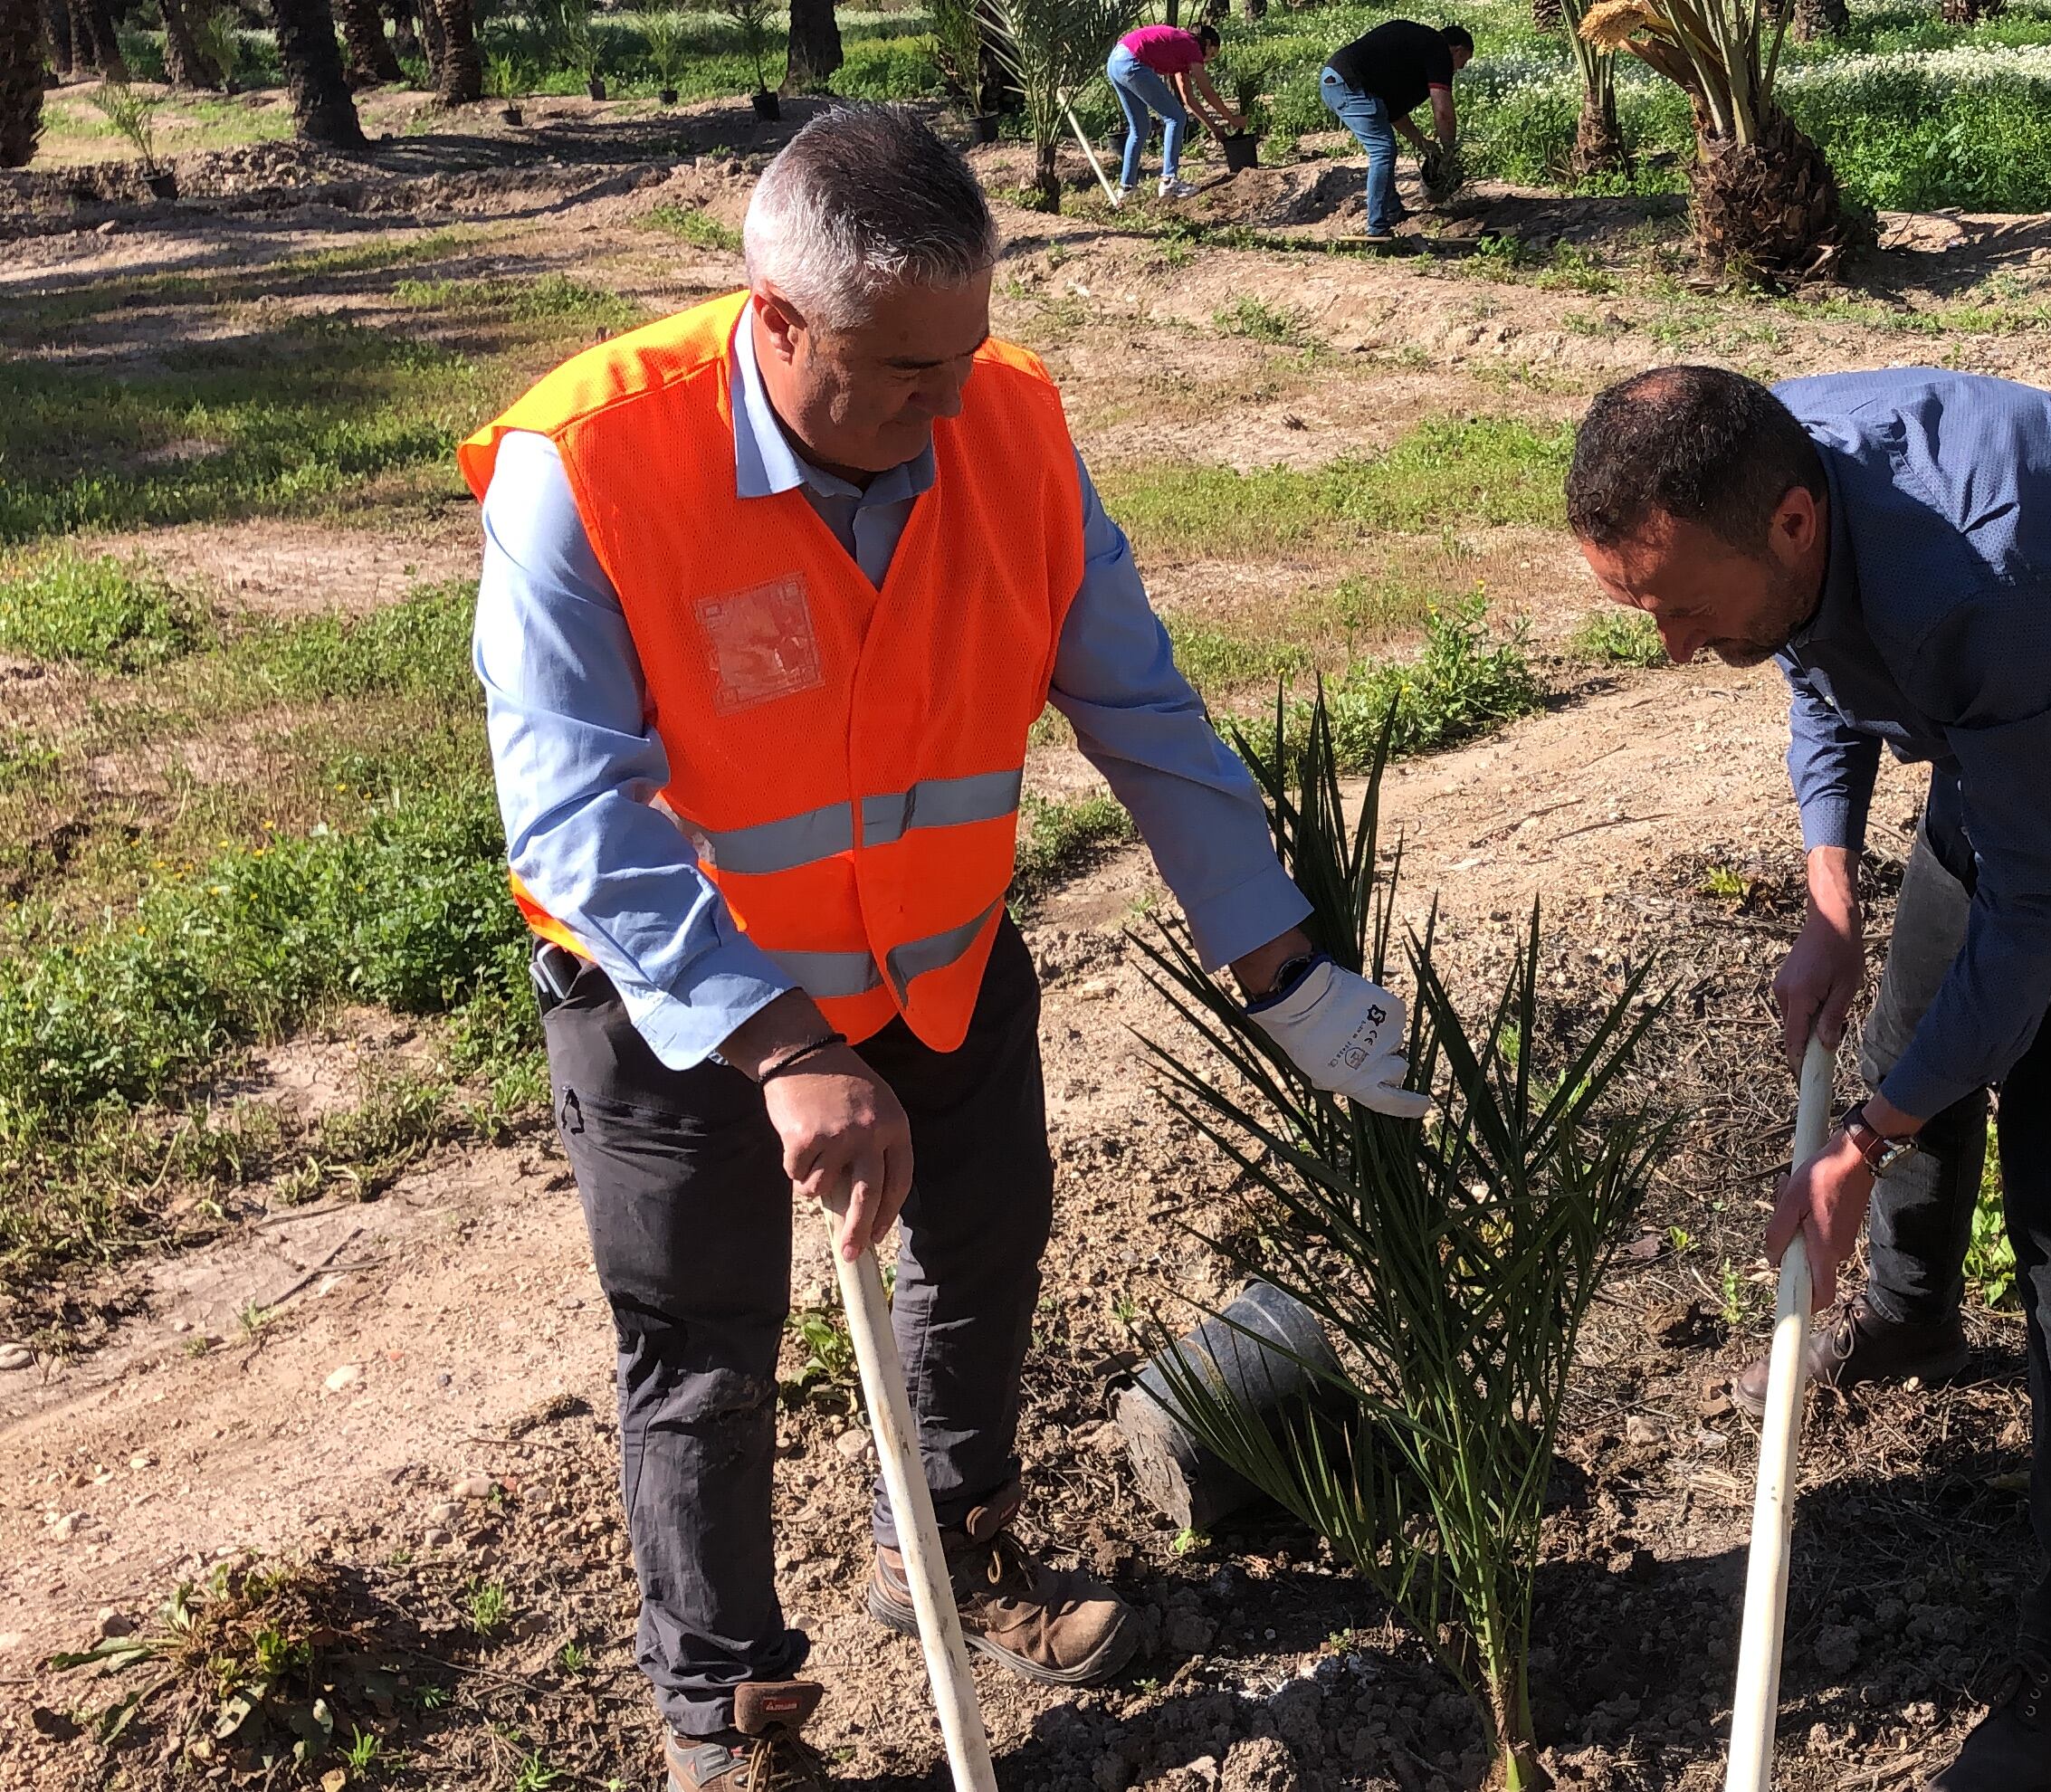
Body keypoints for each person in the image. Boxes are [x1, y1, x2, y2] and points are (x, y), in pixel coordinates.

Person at [466, 106, 1428, 1792]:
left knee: (983, 1259)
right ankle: (728, 1706)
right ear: (774, 319)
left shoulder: (1012, 428)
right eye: (906, 370)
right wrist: (781, 1048)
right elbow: (574, 814)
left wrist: (1279, 964)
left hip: (940, 967)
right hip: (682, 1004)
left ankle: (965, 1553)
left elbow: (1137, 705)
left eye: (966, 353)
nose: (948, 403)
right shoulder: (594, 464)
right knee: (703, 1348)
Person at [1563, 365, 2051, 1792]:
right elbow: (1808, 658)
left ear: (1791, 520)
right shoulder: (1757, 473)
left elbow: (2039, 912)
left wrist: (1864, 1134)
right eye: (1634, 605)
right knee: (1920, 1014)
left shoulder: (1978, 574)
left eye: (1670, 604)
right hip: (2015, 731)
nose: (1662, 645)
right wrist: (1829, 892)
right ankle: (1910, 1322)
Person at [1317, 18, 1471, 240]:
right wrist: (1449, 152)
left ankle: (1393, 211)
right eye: (1462, 62)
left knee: (1385, 147)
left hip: (1337, 81)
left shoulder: (1415, 54)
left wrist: (1421, 142)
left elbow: (1393, 111)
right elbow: (1443, 112)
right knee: (1382, 150)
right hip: (1348, 84)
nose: (1459, 69)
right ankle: (1377, 229)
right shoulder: (1438, 51)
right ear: (1457, 50)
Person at [1107, 20, 1243, 200]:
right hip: (1132, 62)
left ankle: (1127, 188)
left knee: (1140, 128)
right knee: (1175, 118)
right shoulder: (1192, 46)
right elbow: (1208, 92)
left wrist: (1214, 128)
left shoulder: (1180, 47)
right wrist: (1233, 120)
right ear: (1207, 43)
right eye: (1212, 54)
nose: (1208, 61)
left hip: (1115, 62)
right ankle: (1169, 182)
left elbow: (1188, 99)